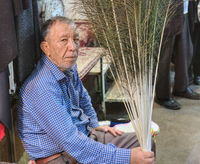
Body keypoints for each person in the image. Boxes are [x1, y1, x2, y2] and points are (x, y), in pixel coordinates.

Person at [18, 16, 155, 164]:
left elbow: (83, 98)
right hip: (60, 157)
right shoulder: (42, 88)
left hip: (82, 139)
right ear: (46, 48)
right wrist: (127, 157)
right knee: (134, 157)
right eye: (63, 40)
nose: (72, 47)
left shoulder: (67, 67)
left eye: (75, 40)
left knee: (146, 146)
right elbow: (72, 142)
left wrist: (95, 126)